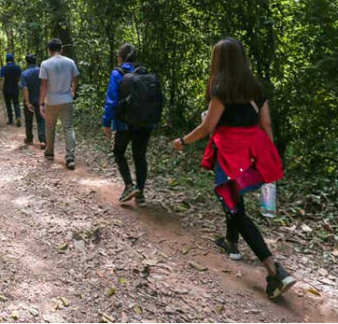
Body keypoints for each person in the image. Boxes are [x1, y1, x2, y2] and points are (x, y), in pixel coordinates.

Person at [172, 37, 296, 299]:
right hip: (255, 151)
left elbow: (208, 127)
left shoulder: (221, 89)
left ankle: (275, 271)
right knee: (234, 200)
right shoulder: (256, 88)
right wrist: (269, 155)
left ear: (220, 61)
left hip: (231, 154)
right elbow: (267, 125)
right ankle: (232, 244)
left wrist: (183, 141)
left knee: (235, 208)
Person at [103, 44, 159, 207]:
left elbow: (111, 101)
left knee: (118, 152)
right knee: (140, 156)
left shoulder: (117, 73)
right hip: (145, 123)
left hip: (123, 124)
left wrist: (107, 121)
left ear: (120, 58)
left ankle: (128, 185)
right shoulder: (145, 73)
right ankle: (140, 194)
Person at [39, 38, 80, 170]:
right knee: (68, 127)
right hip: (67, 99)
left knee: (50, 127)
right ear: (61, 49)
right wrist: (73, 90)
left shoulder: (45, 64)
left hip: (51, 101)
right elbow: (76, 78)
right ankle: (70, 157)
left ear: (49, 50)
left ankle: (50, 152)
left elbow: (44, 85)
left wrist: (41, 102)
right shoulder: (70, 62)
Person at [20, 54, 45, 147]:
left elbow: (25, 88)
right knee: (41, 119)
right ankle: (43, 140)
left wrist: (27, 102)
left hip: (30, 100)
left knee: (28, 119)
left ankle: (29, 138)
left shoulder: (24, 73)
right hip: (41, 100)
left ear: (27, 62)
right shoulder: (42, 71)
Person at [0, 53, 23, 127]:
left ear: (6, 60)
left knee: (8, 103)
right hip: (15, 87)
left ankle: (10, 120)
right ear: (13, 59)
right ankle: (18, 117)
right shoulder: (17, 67)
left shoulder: (3, 68)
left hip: (7, 88)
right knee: (16, 103)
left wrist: (0, 90)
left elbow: (2, 79)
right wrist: (18, 83)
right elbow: (20, 77)